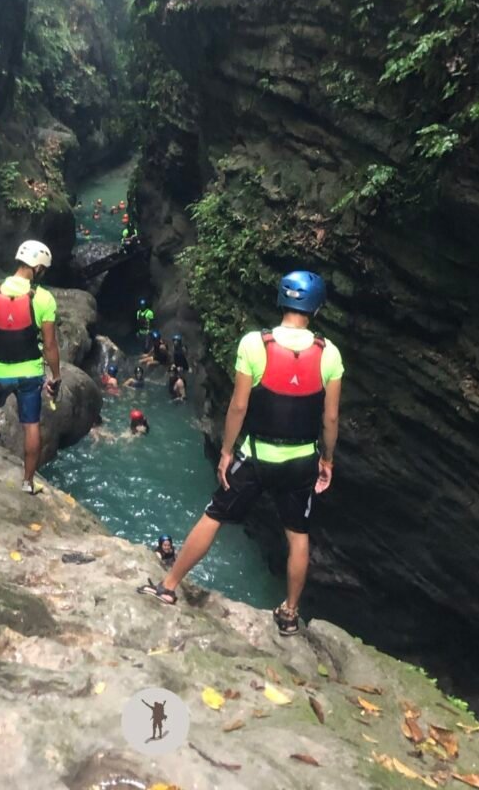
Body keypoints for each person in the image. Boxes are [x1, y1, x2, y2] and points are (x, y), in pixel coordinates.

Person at [137, 270, 343, 635]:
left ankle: (168, 587)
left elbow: (238, 406)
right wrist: (326, 459)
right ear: (315, 306)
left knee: (214, 514)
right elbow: (329, 416)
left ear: (282, 299)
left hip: (257, 456)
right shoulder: (329, 354)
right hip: (301, 461)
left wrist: (227, 451)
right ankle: (290, 615)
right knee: (298, 534)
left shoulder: (254, 344)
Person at [0, 240, 61, 494]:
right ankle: (27, 482)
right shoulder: (44, 298)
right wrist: (56, 375)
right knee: (31, 424)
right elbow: (50, 345)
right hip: (30, 373)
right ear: (38, 268)